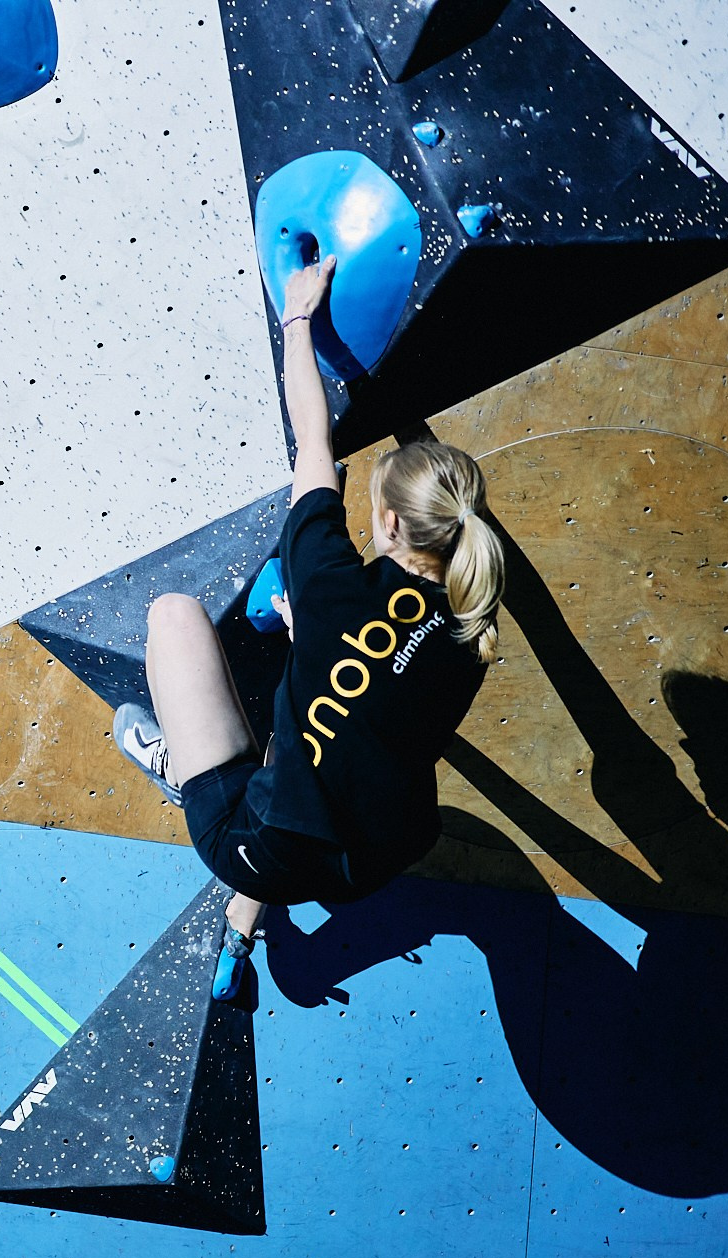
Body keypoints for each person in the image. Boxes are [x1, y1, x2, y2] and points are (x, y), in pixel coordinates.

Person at [111, 256, 505, 1001]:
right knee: (315, 749)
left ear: (387, 524)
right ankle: (242, 926)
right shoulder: (473, 624)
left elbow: (313, 441)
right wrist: (314, 643)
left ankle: (181, 772)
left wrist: (298, 316)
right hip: (378, 855)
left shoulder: (327, 582)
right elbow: (379, 698)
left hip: (259, 846)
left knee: (172, 617)